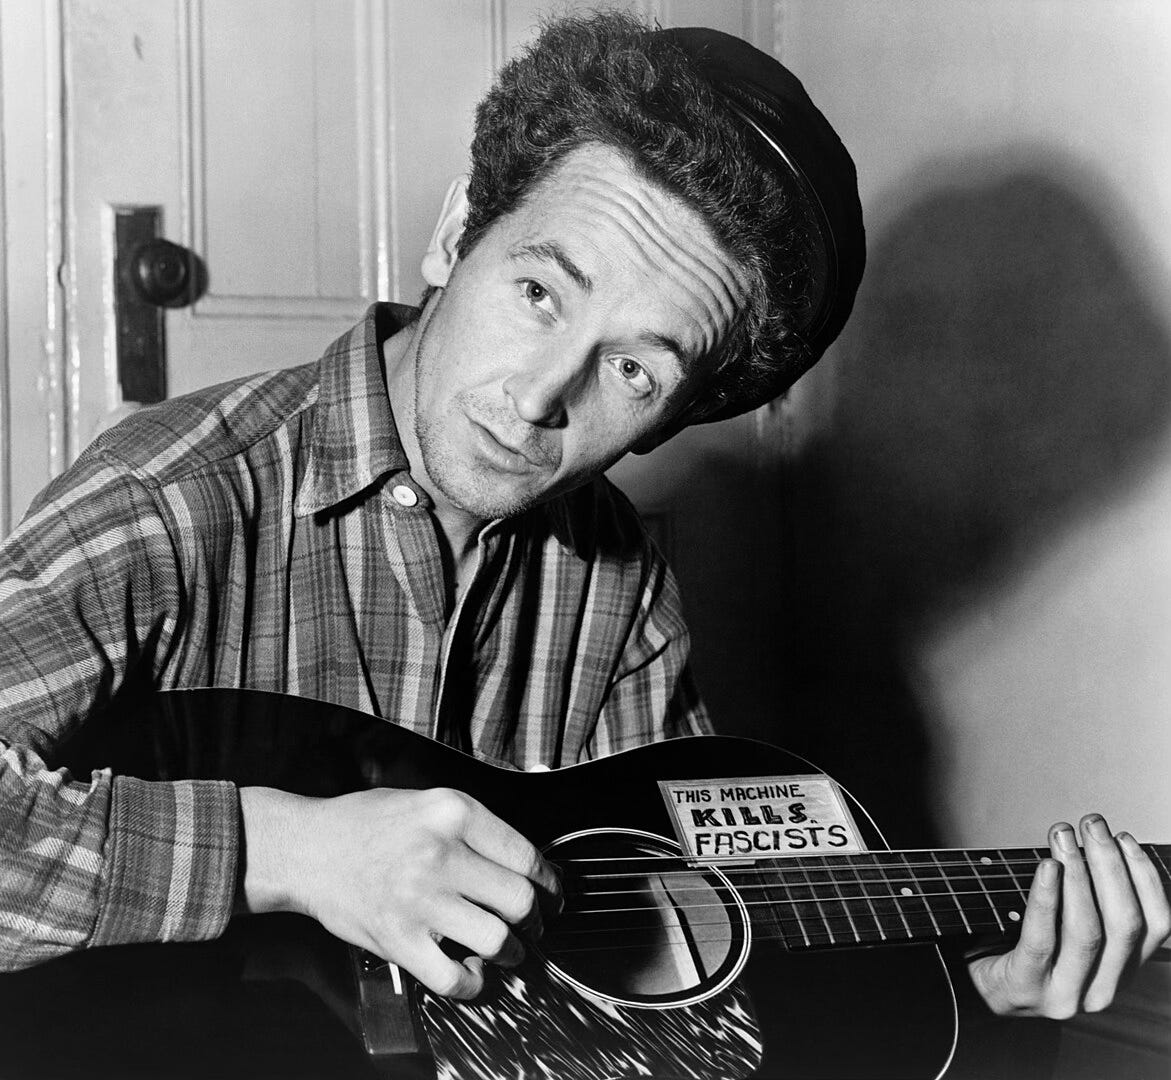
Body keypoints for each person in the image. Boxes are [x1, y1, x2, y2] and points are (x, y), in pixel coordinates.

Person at [0, 9, 1165, 1032]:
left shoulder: (619, 580)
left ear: (674, 419)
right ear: (458, 231)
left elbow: (679, 922)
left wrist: (970, 984)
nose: (541, 393)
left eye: (637, 372)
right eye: (538, 291)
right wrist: (288, 851)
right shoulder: (173, 499)